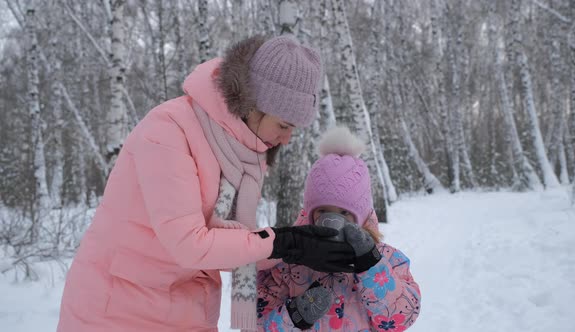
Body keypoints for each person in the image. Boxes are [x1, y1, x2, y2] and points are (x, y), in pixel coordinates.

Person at [57, 35, 360, 332]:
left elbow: (229, 247)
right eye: (284, 125)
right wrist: (282, 242)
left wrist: (294, 245)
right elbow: (190, 245)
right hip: (118, 313)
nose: (287, 139)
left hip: (186, 312)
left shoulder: (240, 156)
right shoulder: (169, 131)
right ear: (253, 105)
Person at [257, 126, 422, 331]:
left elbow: (402, 318)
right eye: (323, 211)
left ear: (361, 216)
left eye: (344, 213)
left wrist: (371, 265)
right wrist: (294, 316)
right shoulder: (289, 265)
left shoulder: (387, 259)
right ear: (309, 213)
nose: (333, 220)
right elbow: (255, 323)